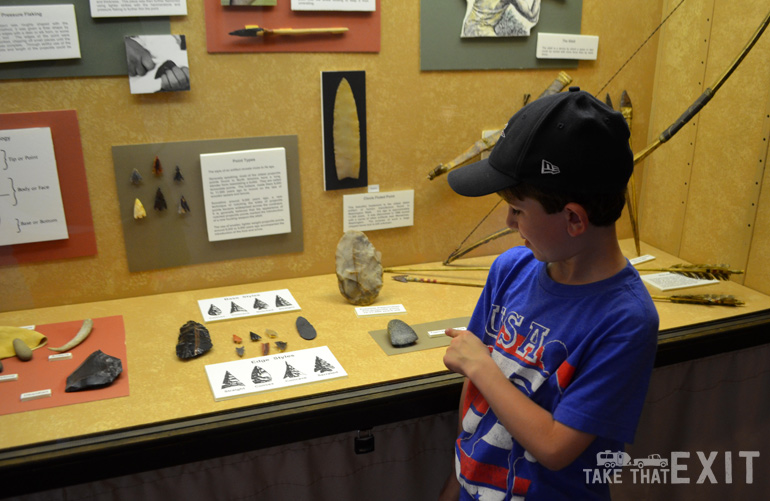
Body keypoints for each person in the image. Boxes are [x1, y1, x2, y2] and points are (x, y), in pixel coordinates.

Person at [438, 87, 659, 500]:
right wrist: (455, 487)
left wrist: (481, 366)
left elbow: (557, 447)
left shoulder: (626, 319)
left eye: (518, 210)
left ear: (574, 218)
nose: (508, 220)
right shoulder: (510, 269)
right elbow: (475, 404)